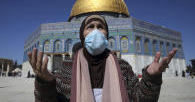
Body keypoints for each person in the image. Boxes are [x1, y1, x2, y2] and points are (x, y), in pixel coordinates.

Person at [28, 15, 177, 102]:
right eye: (90, 27)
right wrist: (45, 84)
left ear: (107, 34)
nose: (95, 31)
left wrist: (150, 78)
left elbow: (140, 99)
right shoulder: (67, 67)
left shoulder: (122, 66)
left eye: (100, 27)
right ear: (82, 34)